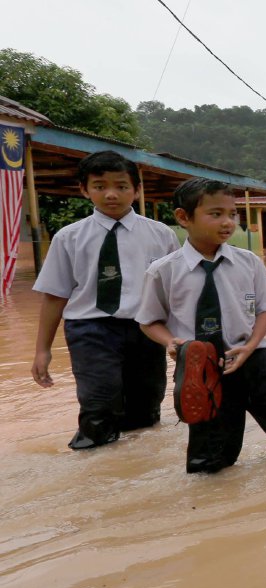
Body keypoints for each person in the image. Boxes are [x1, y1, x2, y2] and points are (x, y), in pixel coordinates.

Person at [137, 178, 266, 474]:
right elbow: (149, 321)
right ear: (183, 217)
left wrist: (251, 345)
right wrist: (170, 342)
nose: (227, 222)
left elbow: (264, 311)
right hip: (202, 370)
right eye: (215, 214)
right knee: (211, 463)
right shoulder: (163, 271)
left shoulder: (249, 262)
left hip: (255, 361)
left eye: (232, 214)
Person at [30, 150, 179, 450]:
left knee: (146, 410)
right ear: (84, 190)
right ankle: (91, 473)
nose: (111, 194)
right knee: (98, 407)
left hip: (146, 330)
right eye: (100, 186)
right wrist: (42, 350)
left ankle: (138, 476)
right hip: (90, 330)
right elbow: (55, 296)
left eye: (121, 186)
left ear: (136, 190)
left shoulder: (161, 235)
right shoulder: (68, 238)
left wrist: (178, 339)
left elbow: (175, 294)